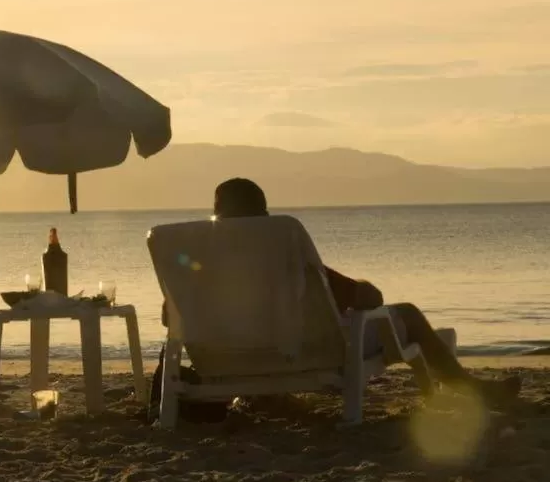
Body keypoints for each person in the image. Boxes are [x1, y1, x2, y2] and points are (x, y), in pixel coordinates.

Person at [148, 178, 520, 422]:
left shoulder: (196, 273)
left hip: (227, 362)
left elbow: (171, 317)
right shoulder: (282, 249)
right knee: (406, 313)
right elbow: (368, 297)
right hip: (309, 351)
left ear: (217, 216)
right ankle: (474, 392)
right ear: (264, 215)